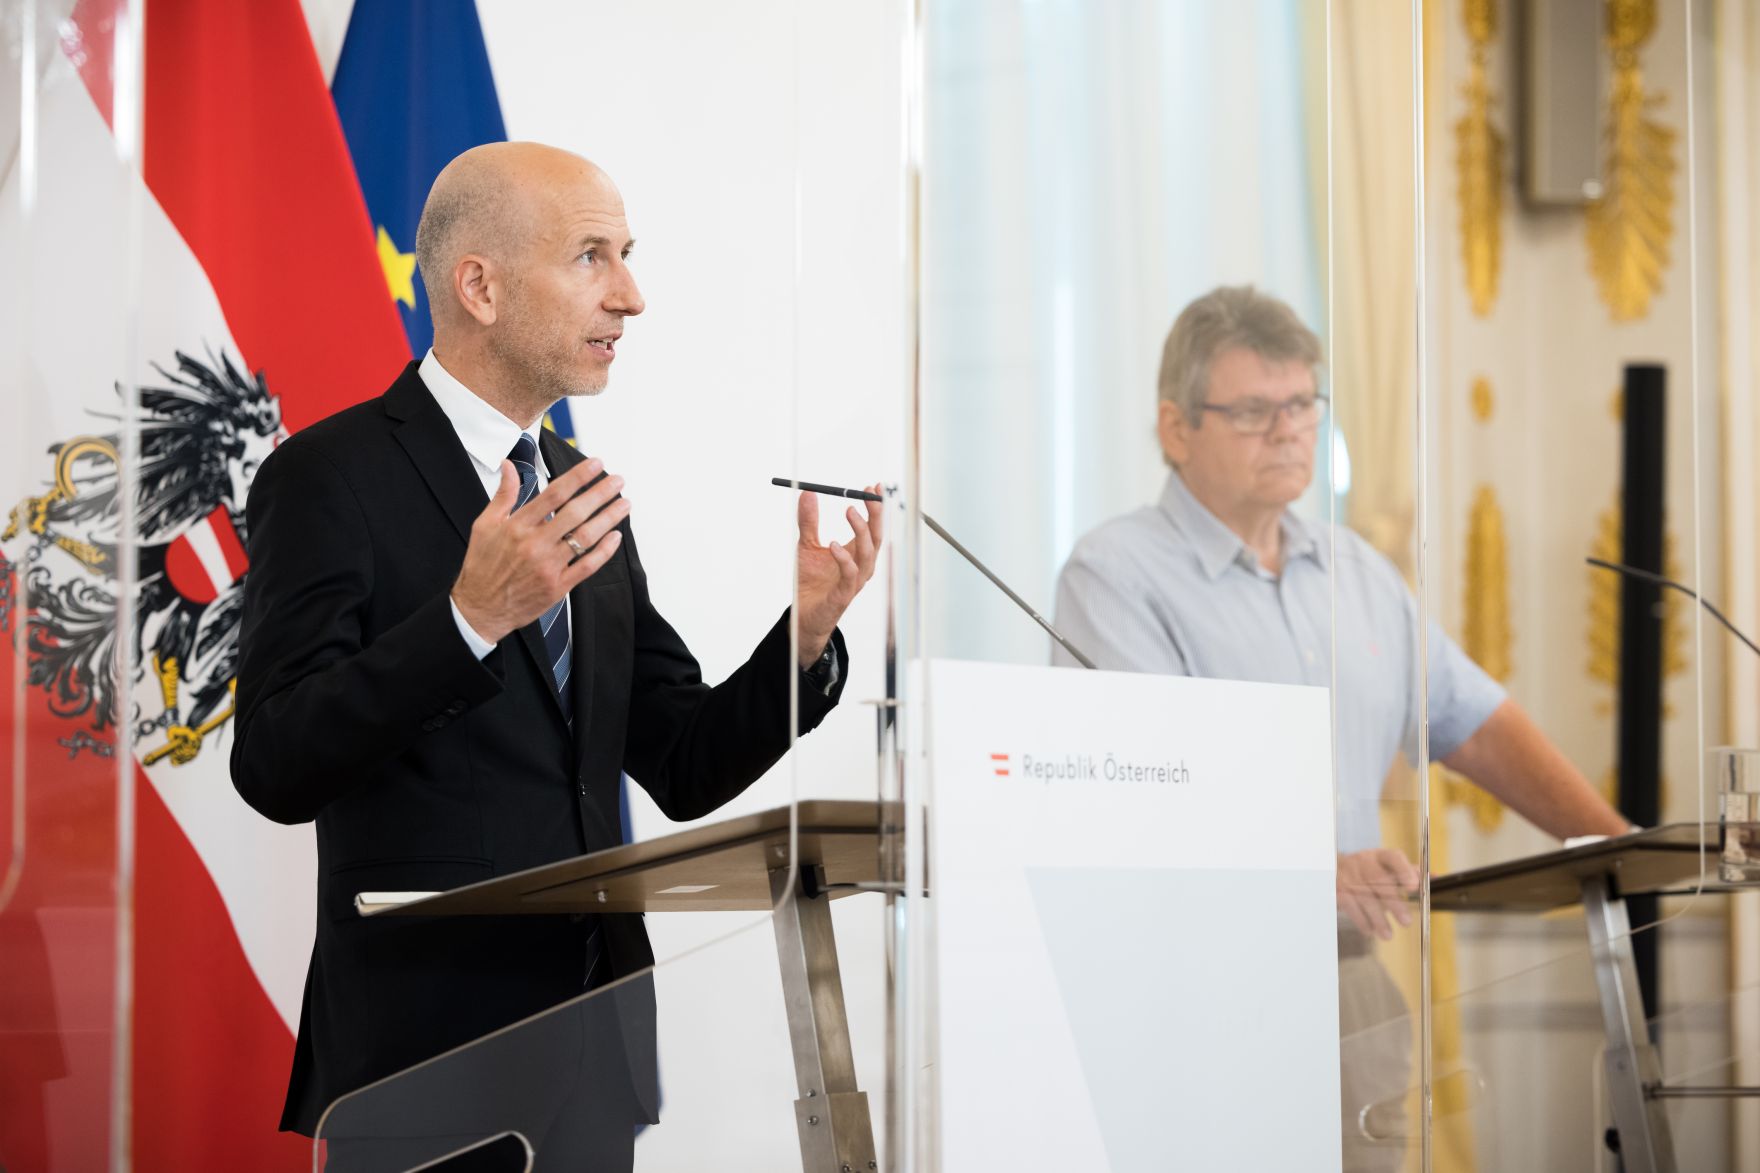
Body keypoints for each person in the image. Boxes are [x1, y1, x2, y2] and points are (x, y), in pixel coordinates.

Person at [230, 142, 883, 1169]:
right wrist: (466, 622)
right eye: (592, 257)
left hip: (592, 1053)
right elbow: (272, 761)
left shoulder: (575, 485)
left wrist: (800, 642)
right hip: (423, 1063)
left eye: (625, 255)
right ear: (479, 287)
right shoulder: (329, 476)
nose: (630, 296)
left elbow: (681, 761)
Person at [1051, 285, 1628, 1173]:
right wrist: (1308, 868)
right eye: (1252, 411)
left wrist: (1617, 841)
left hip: (1355, 975)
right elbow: (1142, 785)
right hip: (1196, 984)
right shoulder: (1115, 574)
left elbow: (1473, 722)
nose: (1287, 430)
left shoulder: (1354, 569)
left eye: (1302, 406)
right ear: (1175, 428)